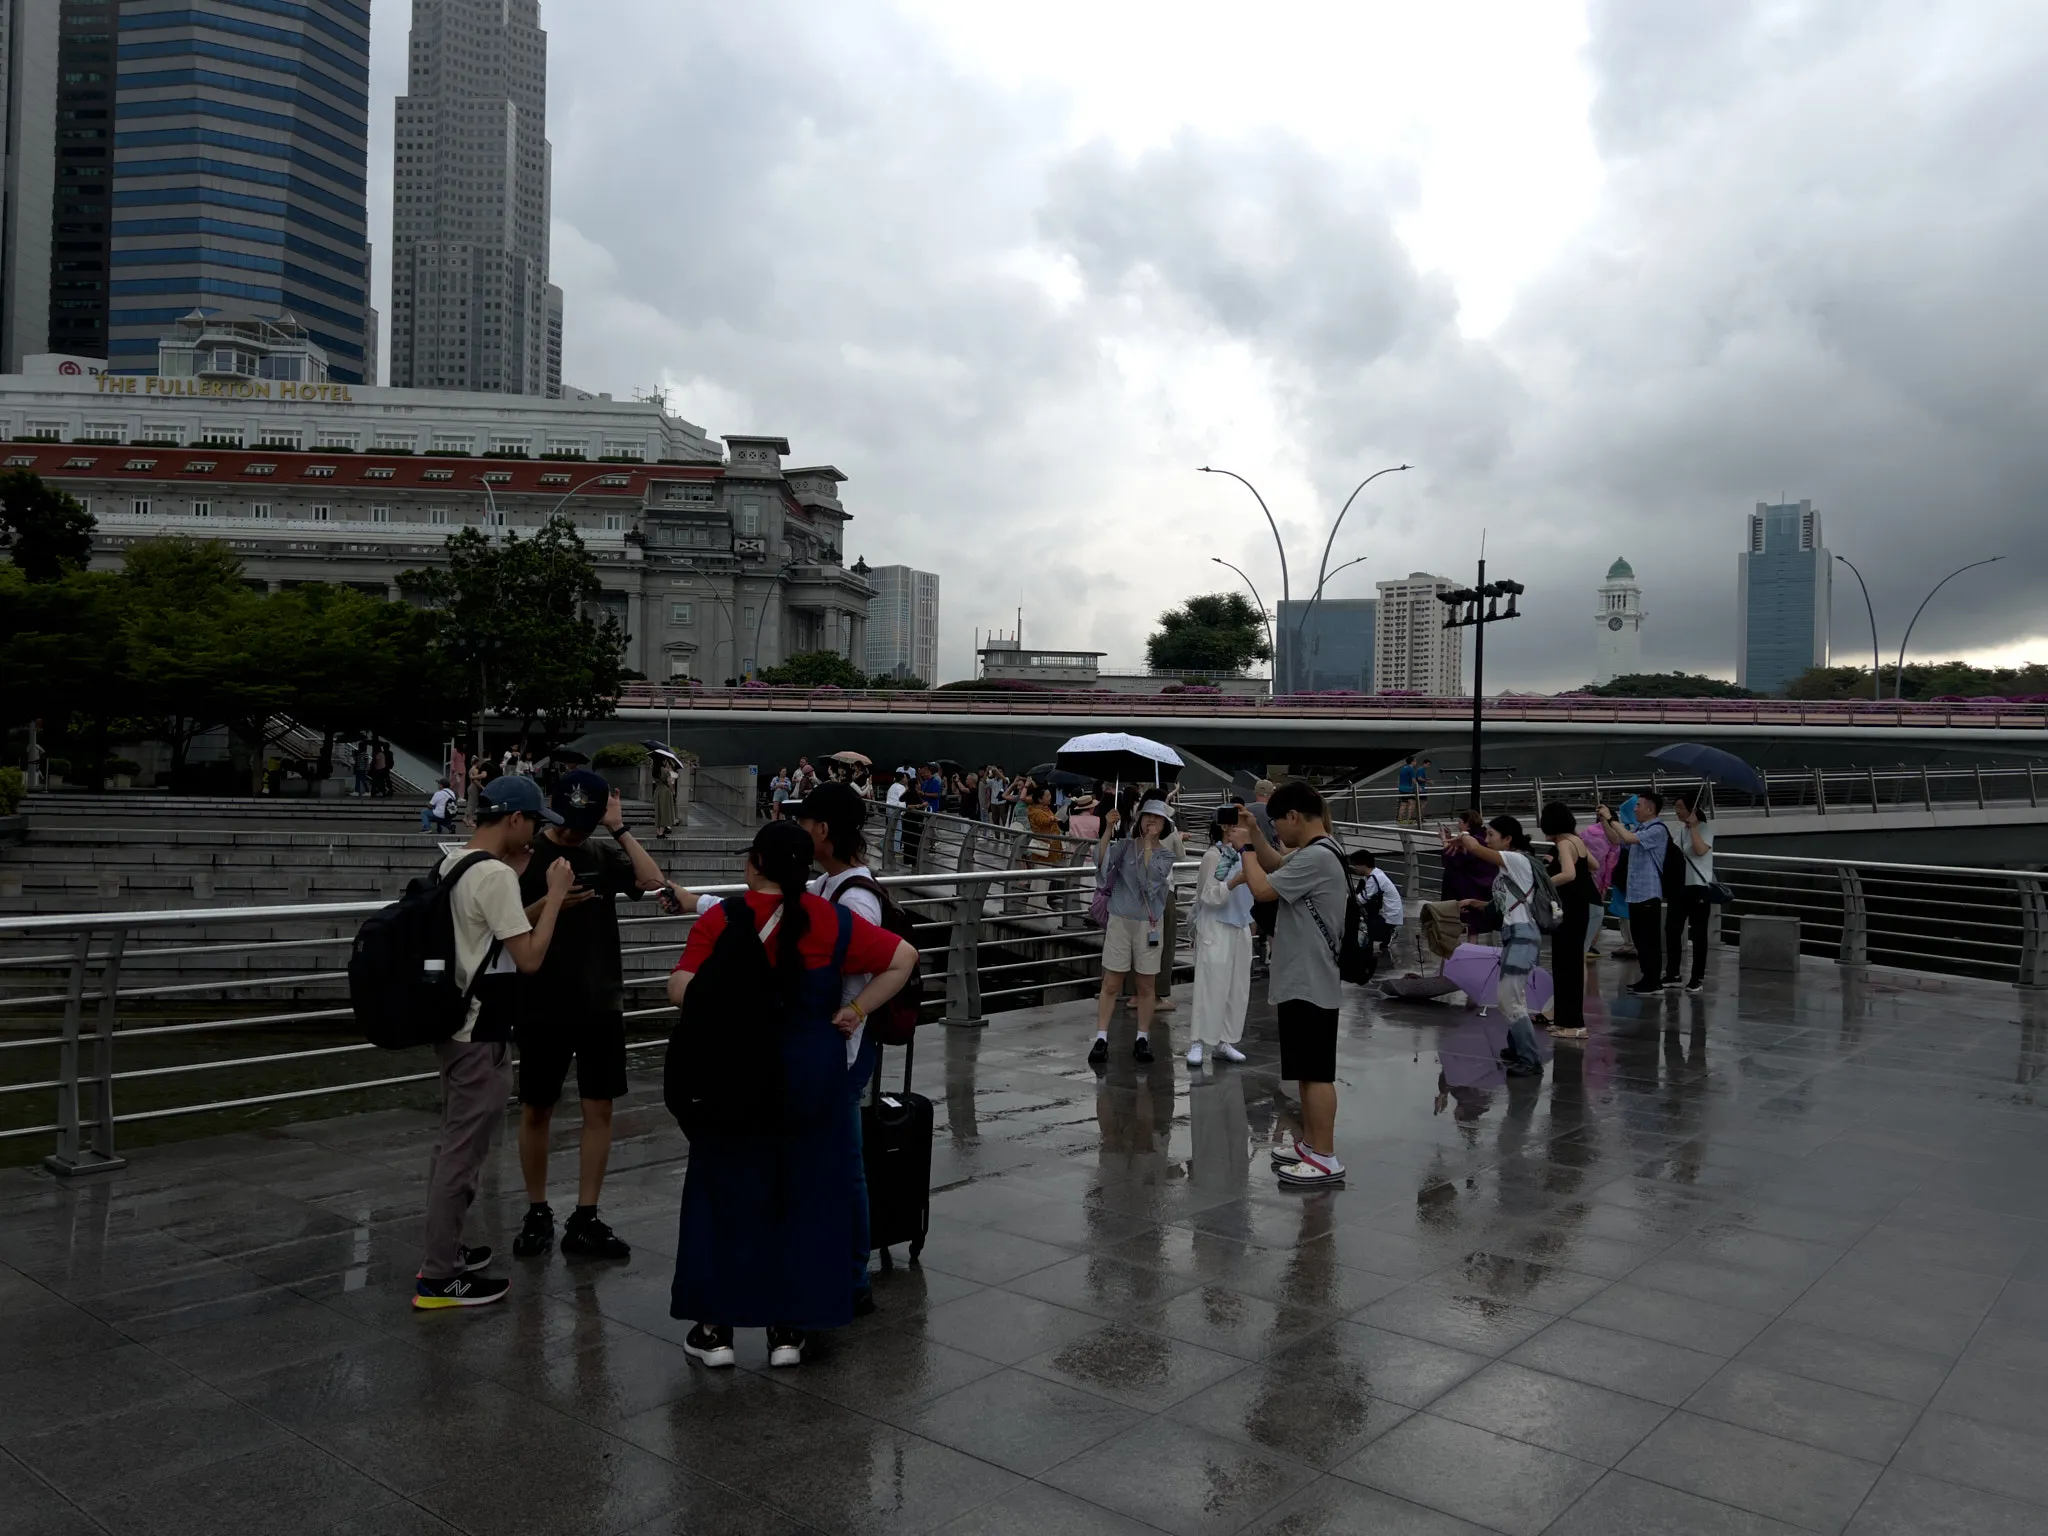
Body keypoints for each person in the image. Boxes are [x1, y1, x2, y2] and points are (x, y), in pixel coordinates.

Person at [664, 820, 916, 1368]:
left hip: (733, 1081)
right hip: (812, 1082)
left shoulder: (720, 918)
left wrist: (717, 997)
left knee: (724, 1197)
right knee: (803, 1199)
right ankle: (788, 1331)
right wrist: (854, 1011)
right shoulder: (830, 918)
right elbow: (903, 958)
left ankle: (715, 1332)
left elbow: (680, 986)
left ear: (754, 863)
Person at [414, 776, 573, 1309]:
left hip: (452, 1027)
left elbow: (488, 938)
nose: (536, 834)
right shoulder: (496, 876)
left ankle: (450, 1251)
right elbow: (528, 959)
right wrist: (551, 898)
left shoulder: (454, 863)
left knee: (452, 1147)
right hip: (481, 1034)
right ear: (514, 820)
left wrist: (536, 898)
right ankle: (439, 1277)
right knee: (462, 1155)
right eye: (533, 823)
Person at [509, 771, 674, 1263]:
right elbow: (506, 925)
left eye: (587, 822)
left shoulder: (602, 852)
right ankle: (537, 1210)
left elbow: (651, 881)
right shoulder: (526, 856)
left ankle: (586, 1216)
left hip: (600, 1000)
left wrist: (618, 829)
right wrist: (552, 900)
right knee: (536, 1107)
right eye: (569, 822)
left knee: (598, 1107)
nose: (575, 832)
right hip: (541, 1000)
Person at [788, 782, 888, 1315]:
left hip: (843, 1050)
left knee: (846, 1166)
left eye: (805, 824)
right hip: (828, 1045)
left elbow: (864, 957)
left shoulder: (854, 896)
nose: (803, 833)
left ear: (822, 830)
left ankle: (853, 1279)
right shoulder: (828, 884)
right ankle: (841, 1269)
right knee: (835, 1162)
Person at [1232, 779, 1352, 1188]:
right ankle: (1311, 1145)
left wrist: (1245, 848)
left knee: (1317, 1073)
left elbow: (1263, 889)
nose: (1278, 834)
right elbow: (1274, 866)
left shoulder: (1318, 858)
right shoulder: (1319, 851)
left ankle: (1325, 1155)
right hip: (1305, 975)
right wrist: (1255, 834)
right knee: (1304, 1070)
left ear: (1294, 817)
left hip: (1310, 977)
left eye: (1278, 824)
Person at [1443, 815, 1544, 1078]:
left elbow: (1475, 849)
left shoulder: (1517, 859)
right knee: (1512, 997)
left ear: (1508, 838)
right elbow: (1503, 904)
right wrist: (1475, 904)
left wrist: (1463, 837)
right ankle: (1515, 1050)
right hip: (1515, 934)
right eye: (1485, 835)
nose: (1486, 840)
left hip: (1522, 936)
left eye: (1491, 835)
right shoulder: (1507, 866)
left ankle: (1530, 1059)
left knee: (1509, 999)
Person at [1088, 800, 1176, 1066]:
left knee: (1146, 984)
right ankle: (1101, 1037)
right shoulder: (1125, 845)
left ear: (1164, 825)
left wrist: (1148, 845)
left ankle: (1142, 1037)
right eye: (1147, 817)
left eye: (1157, 819)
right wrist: (1107, 829)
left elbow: (1151, 882)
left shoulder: (1166, 854)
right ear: (1139, 820)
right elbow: (1101, 863)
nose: (1151, 822)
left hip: (1148, 923)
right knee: (1111, 981)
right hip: (1120, 919)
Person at [1188, 808, 1254, 1067]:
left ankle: (1225, 1041)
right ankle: (1198, 1041)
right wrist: (1233, 882)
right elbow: (1208, 895)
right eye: (1239, 825)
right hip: (1216, 925)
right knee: (1210, 984)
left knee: (1237, 987)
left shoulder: (1246, 854)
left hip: (1240, 925)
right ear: (1227, 828)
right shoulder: (1213, 856)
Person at [1598, 792, 1671, 994]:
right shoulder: (1640, 828)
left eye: (1638, 805)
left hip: (1649, 893)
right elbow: (1616, 840)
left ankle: (1653, 980)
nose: (1635, 809)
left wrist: (1612, 819)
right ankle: (1646, 977)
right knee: (1639, 939)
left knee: (1649, 939)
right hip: (1636, 893)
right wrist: (1606, 820)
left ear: (1650, 809)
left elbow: (1628, 838)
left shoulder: (1657, 830)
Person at [1539, 802, 1593, 1039]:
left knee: (1566, 966)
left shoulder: (1563, 843)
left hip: (1568, 909)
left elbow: (1569, 874)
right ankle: (1563, 1020)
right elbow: (1594, 865)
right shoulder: (1576, 840)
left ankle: (1574, 1024)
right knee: (1566, 963)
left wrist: (1543, 884)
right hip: (1579, 908)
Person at [1663, 789, 1714, 993]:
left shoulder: (1704, 828)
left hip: (1698, 887)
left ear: (1691, 809)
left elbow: (1701, 850)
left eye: (1680, 807)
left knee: (1698, 933)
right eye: (1675, 807)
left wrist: (1693, 828)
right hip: (1680, 887)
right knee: (1672, 930)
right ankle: (1673, 973)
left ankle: (1697, 977)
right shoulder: (1680, 831)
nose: (1677, 811)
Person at [1348, 848, 1403, 959]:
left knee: (1364, 926)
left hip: (1389, 916)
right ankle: (1386, 934)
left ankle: (1385, 934)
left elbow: (1361, 899)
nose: (1355, 868)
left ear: (1363, 865)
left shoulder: (1374, 878)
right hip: (1391, 913)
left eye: (1355, 865)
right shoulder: (1375, 874)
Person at [654, 757, 679, 839]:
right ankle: (661, 833)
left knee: (659, 812)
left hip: (658, 790)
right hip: (665, 791)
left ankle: (658, 832)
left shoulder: (654, 771)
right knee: (665, 812)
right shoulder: (665, 771)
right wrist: (673, 791)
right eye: (664, 760)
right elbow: (669, 783)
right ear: (662, 761)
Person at [1396, 756, 1419, 825]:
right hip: (1408, 789)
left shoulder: (1403, 768)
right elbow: (1413, 780)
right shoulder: (1410, 769)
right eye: (1415, 761)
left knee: (1403, 804)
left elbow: (1399, 778)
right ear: (1412, 762)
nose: (1416, 762)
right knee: (1412, 804)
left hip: (1402, 788)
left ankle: (1399, 820)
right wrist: (1418, 786)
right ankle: (1409, 820)